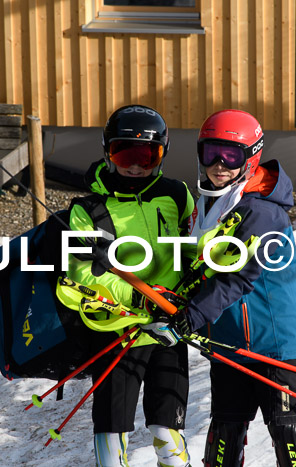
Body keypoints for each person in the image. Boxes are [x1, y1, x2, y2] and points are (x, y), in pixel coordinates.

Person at [177, 109, 296, 466]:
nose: (219, 164)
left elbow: (239, 275)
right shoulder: (207, 204)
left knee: (286, 428)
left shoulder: (262, 212)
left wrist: (192, 314)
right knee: (226, 429)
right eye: (211, 153)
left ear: (251, 157)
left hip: (273, 344)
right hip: (227, 339)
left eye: (231, 155)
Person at [64, 104, 194, 466]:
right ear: (108, 151)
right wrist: (138, 296)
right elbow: (82, 275)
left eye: (147, 155)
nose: (135, 165)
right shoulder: (86, 210)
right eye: (124, 153)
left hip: (168, 328)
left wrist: (191, 302)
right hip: (117, 328)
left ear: (162, 154)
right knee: (113, 427)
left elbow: (190, 251)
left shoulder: (177, 195)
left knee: (168, 429)